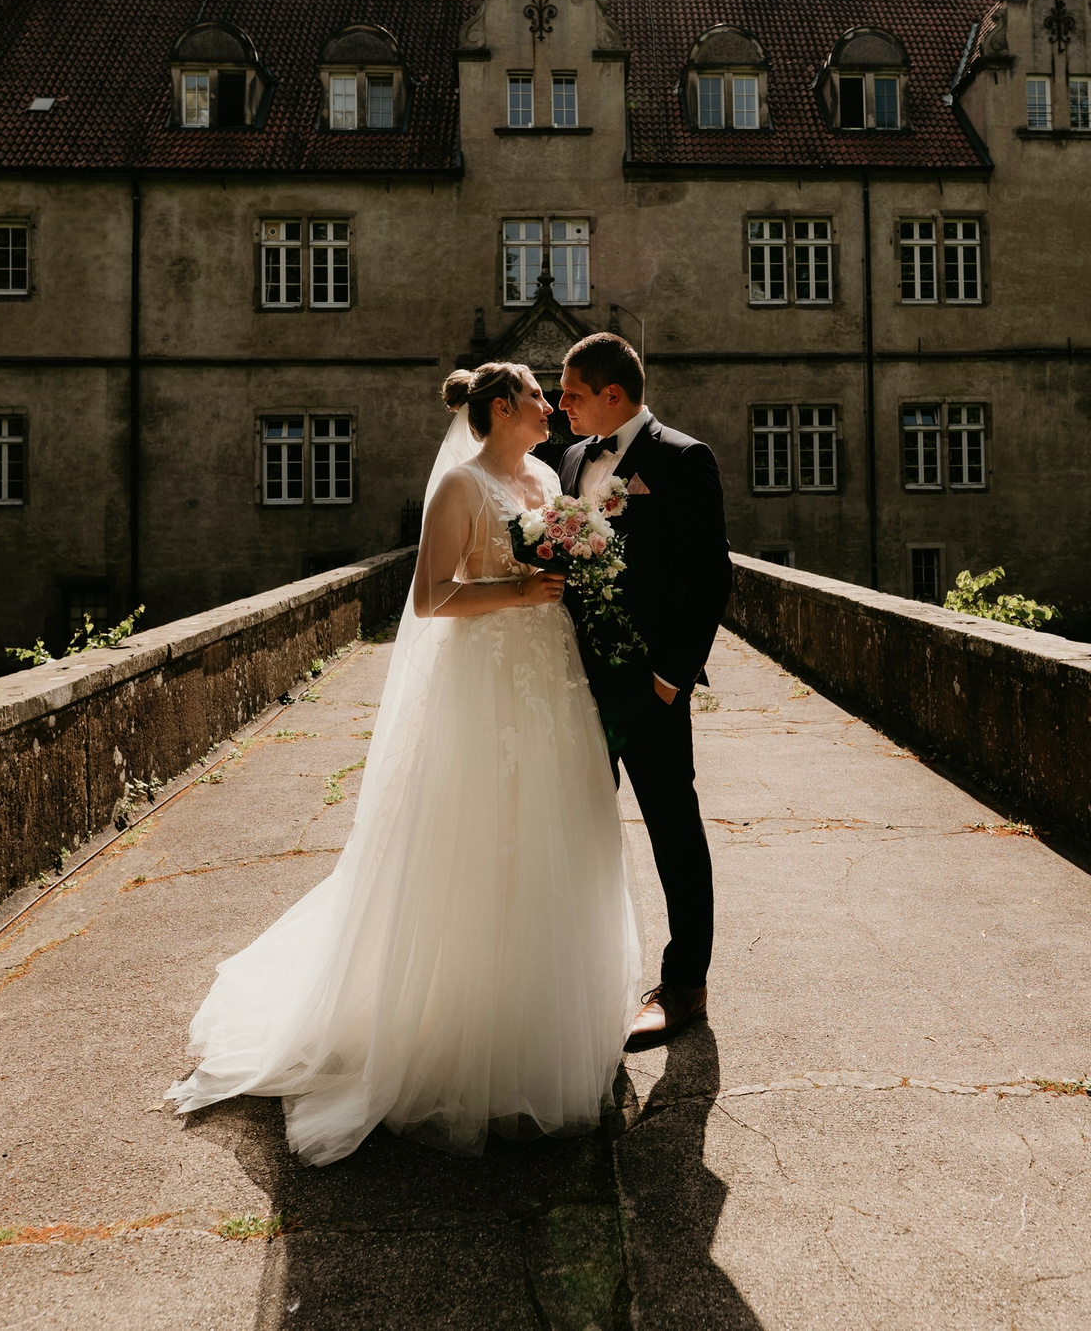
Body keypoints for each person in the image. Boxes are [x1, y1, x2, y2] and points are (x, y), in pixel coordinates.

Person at [167, 362, 639, 1164]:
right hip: (487, 681)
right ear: (503, 407)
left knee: (553, 835)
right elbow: (430, 598)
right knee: (478, 841)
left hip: (550, 678)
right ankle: (462, 1029)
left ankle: (537, 1015)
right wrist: (519, 594)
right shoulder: (461, 485)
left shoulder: (542, 477)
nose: (551, 403)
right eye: (537, 394)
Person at [555, 332, 733, 1047]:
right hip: (573, 685)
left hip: (649, 688)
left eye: (571, 394)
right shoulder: (571, 459)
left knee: (672, 832)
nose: (560, 406)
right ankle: (578, 977)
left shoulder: (683, 458)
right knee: (575, 828)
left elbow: (710, 577)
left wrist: (669, 679)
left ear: (613, 394)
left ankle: (684, 985)